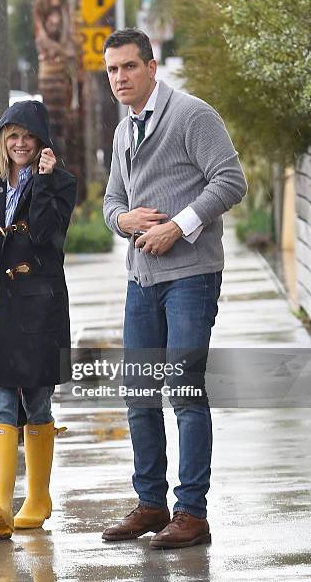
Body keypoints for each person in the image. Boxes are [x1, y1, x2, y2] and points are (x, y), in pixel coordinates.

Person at [102, 29, 247, 548]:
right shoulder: (123, 132)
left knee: (184, 392)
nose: (120, 78)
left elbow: (231, 181)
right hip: (140, 281)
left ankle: (191, 513)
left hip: (190, 277)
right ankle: (150, 504)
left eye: (128, 67)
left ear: (151, 67)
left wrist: (177, 226)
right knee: (139, 394)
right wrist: (124, 220)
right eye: (113, 69)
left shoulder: (192, 115)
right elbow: (111, 201)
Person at [0, 100, 77, 540]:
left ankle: (38, 498)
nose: (21, 143)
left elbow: (47, 237)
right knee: (0, 405)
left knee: (38, 405)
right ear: (2, 140)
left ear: (42, 141)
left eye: (29, 135)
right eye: (13, 135)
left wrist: (43, 182)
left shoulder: (61, 183)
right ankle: (1, 505)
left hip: (37, 312)